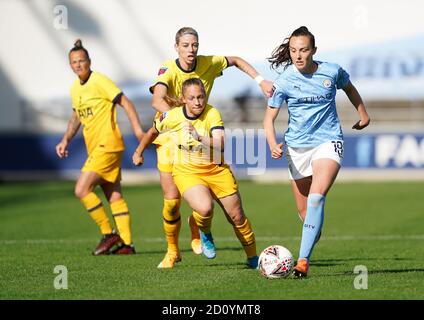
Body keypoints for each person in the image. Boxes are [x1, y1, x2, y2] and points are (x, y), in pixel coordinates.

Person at [149, 27, 273, 268]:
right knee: (173, 200)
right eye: (185, 45)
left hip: (209, 153)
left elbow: (236, 60)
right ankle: (174, 250)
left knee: (235, 215)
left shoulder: (210, 73)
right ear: (176, 47)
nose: (191, 49)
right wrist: (177, 122)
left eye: (194, 44)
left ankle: (242, 252)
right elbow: (156, 101)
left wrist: (260, 80)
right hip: (177, 146)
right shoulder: (168, 70)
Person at [263, 26, 370, 278]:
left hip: (328, 141)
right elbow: (268, 120)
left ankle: (302, 261)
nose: (298, 56)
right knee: (305, 213)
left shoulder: (331, 71)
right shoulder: (285, 81)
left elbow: (350, 88)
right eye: (293, 51)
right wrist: (272, 143)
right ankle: (312, 231)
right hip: (297, 148)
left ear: (314, 51)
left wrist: (362, 113)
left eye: (303, 50)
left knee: (316, 197)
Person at [134, 78, 259, 268]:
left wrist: (199, 137)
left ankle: (252, 258)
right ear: (184, 99)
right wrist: (138, 151)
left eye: (201, 97)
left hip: (216, 169)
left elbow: (221, 144)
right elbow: (152, 132)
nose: (198, 102)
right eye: (192, 98)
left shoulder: (212, 113)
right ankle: (205, 233)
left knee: (237, 217)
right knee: (205, 208)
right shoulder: (172, 116)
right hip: (187, 171)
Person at [56, 39, 144, 255]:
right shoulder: (75, 88)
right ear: (71, 66)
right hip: (98, 148)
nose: (78, 65)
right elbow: (76, 116)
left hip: (108, 144)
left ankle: (108, 233)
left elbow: (127, 103)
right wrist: (66, 139)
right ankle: (127, 244)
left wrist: (138, 131)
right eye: (74, 62)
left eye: (81, 60)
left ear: (89, 61)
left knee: (81, 189)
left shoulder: (99, 81)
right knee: (113, 196)